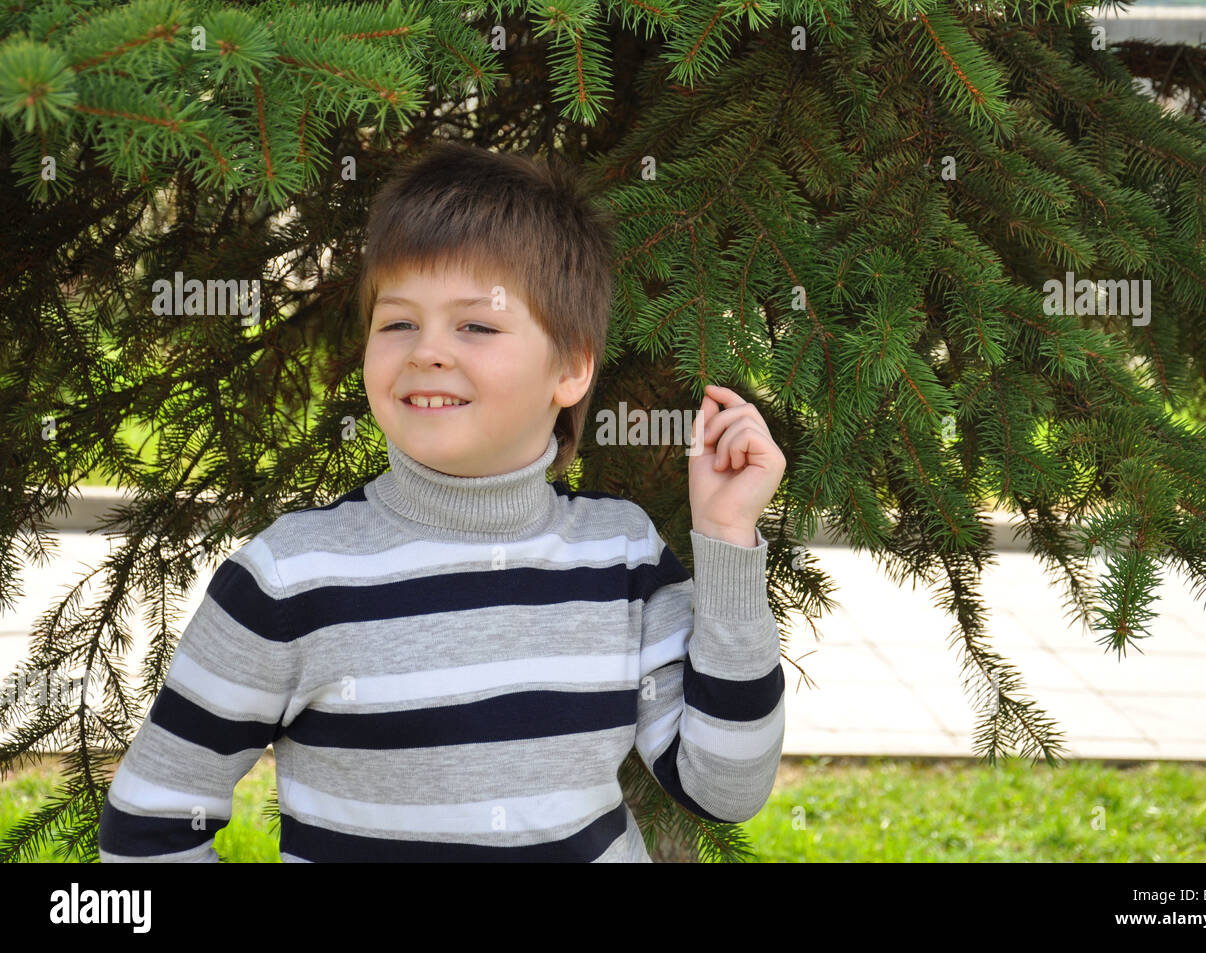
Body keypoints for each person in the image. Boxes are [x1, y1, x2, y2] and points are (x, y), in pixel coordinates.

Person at [97, 141, 787, 862]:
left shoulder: (621, 558)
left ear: (572, 367)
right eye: (397, 322)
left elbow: (724, 786)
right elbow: (152, 823)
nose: (427, 350)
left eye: (476, 325)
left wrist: (728, 535)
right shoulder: (291, 576)